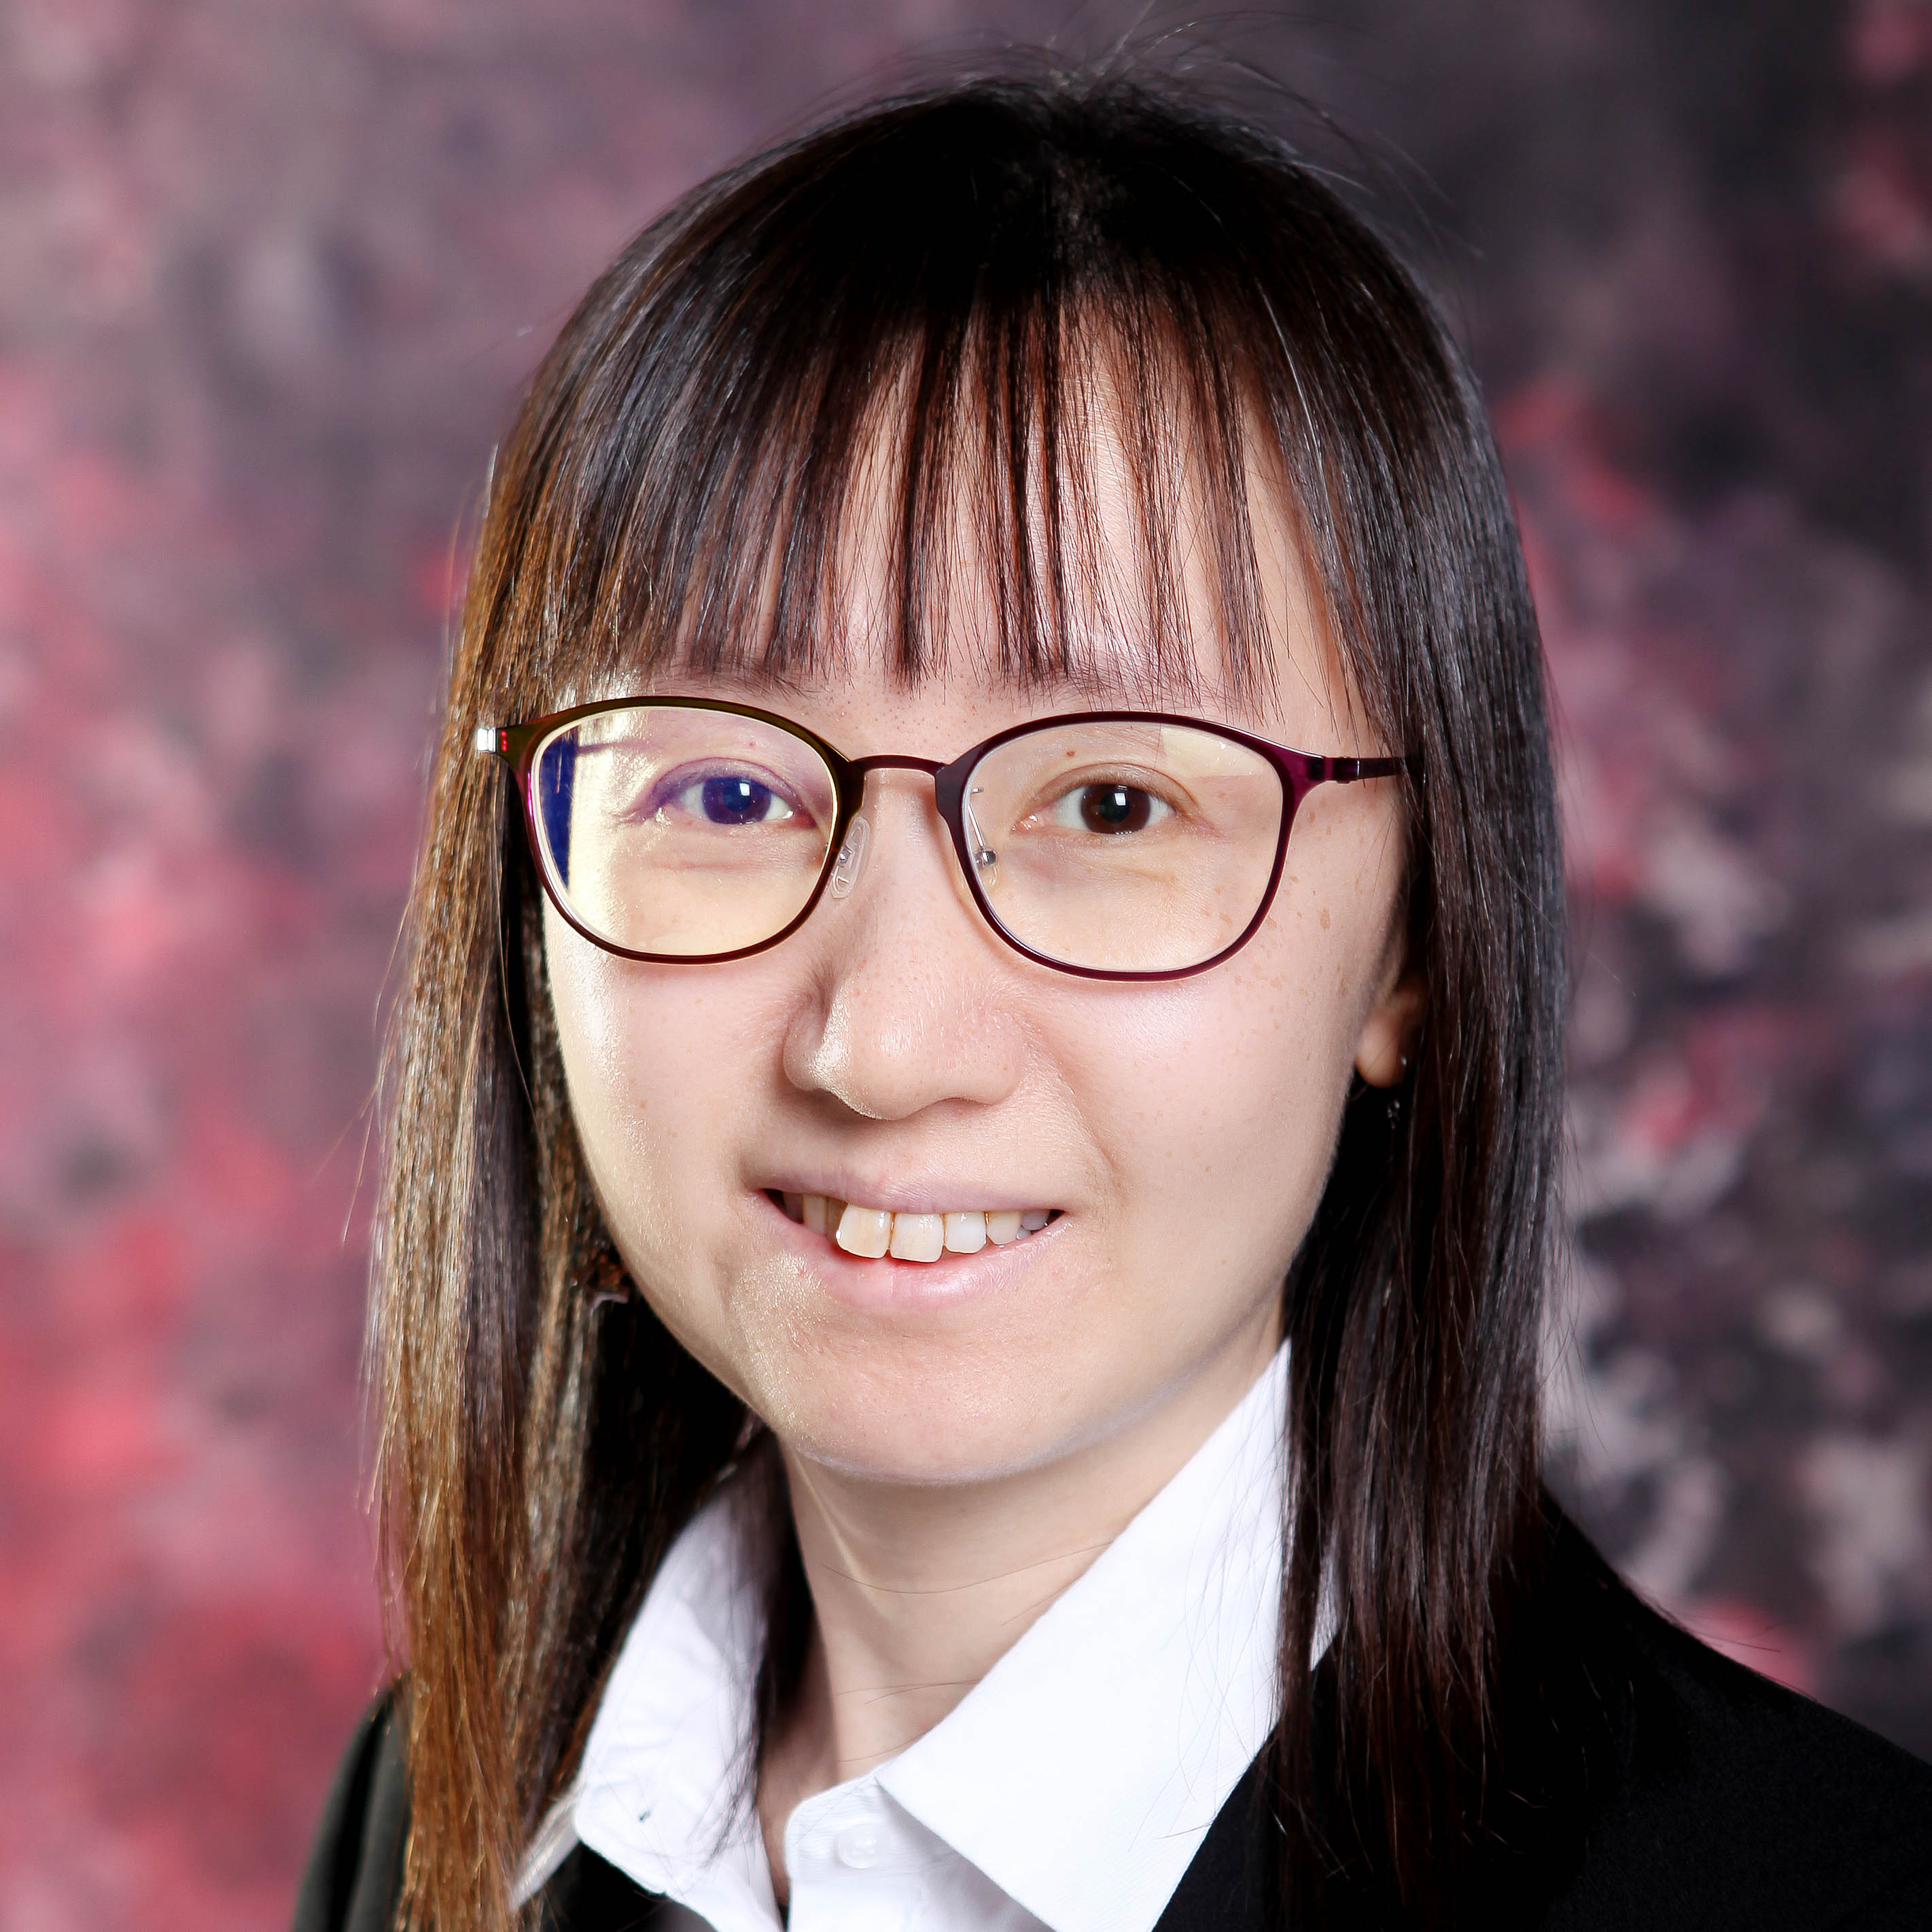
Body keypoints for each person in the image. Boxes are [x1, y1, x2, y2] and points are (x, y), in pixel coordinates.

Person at [293, 65, 1932, 1932]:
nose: (881, 1047)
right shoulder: (434, 1808)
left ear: (1411, 944)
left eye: (1112, 805)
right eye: (728, 795)